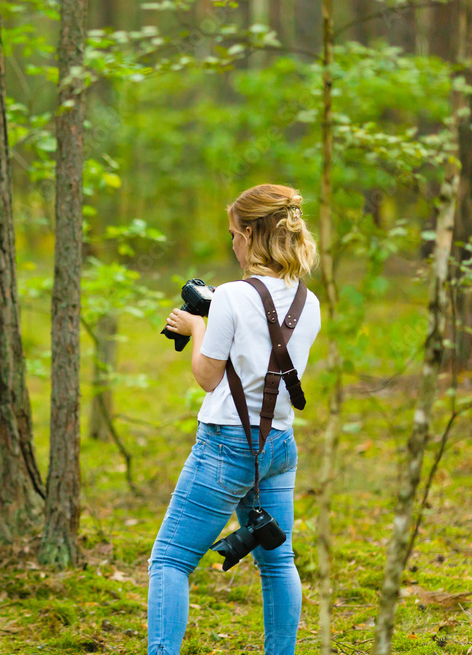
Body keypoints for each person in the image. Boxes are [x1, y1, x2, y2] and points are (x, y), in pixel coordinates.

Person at [148, 184, 321, 655]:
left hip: (226, 444)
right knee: (278, 562)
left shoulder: (230, 298)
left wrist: (197, 325)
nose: (231, 244)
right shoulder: (309, 302)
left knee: (170, 560)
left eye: (232, 234)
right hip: (279, 444)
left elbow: (208, 376)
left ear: (249, 233)